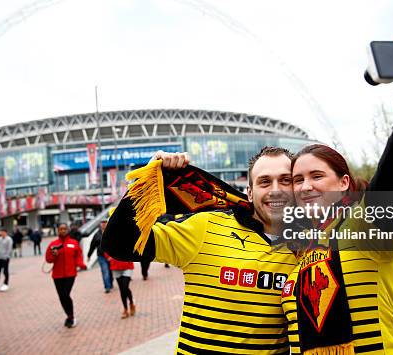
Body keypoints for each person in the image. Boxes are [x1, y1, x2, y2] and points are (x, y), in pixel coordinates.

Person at [281, 22, 393, 354]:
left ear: (343, 183)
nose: (306, 186)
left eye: (316, 176)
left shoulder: (365, 223)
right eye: (297, 179)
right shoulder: (303, 246)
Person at [103, 147, 298, 354]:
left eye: (286, 180)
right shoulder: (205, 227)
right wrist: (149, 178)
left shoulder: (310, 246)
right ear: (250, 192)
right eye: (264, 181)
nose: (276, 190)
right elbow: (119, 244)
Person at [45, 223, 87, 328]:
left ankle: (71, 317)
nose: (62, 231)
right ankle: (69, 316)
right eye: (60, 229)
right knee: (62, 297)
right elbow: (48, 259)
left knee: (65, 295)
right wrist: (54, 255)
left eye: (64, 229)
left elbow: (78, 256)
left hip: (70, 274)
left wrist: (81, 264)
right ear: (58, 231)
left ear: (67, 230)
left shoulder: (74, 243)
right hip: (57, 275)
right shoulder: (53, 244)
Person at [105, 253, 135, 318]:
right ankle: (125, 309)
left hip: (127, 265)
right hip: (116, 266)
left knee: (125, 287)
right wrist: (108, 256)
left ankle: (131, 303)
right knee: (122, 289)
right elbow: (105, 245)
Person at [88, 219, 113, 293]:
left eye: (105, 222)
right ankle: (107, 287)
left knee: (110, 271)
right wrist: (89, 255)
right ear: (100, 224)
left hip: (111, 256)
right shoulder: (97, 234)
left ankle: (110, 283)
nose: (104, 224)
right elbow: (92, 245)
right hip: (101, 256)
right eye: (102, 223)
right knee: (105, 271)